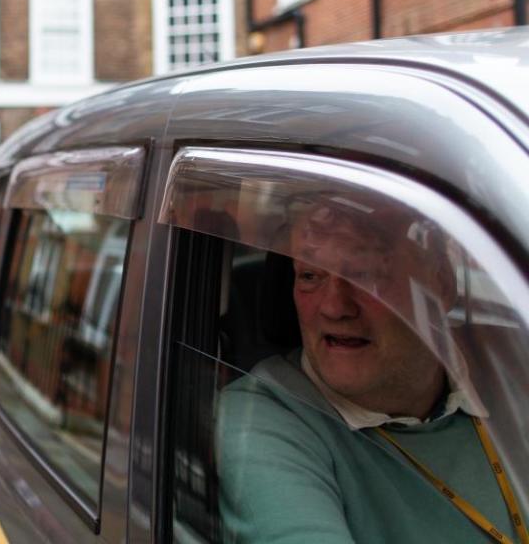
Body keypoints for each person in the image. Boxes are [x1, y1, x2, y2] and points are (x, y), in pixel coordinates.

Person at [217, 198, 527, 543]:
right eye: (309, 275)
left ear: (439, 283)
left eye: (362, 275)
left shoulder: (508, 378)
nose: (334, 307)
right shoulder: (258, 420)